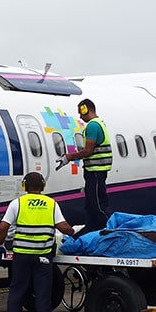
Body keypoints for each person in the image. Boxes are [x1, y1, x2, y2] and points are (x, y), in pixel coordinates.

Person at [0, 171, 76, 312]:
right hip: (42, 257)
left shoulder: (17, 203)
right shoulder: (51, 203)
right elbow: (63, 226)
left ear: (24, 186)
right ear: (43, 187)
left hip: (21, 256)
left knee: (16, 292)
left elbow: (2, 228)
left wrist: (0, 245)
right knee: (43, 294)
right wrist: (73, 232)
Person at [56, 99, 112, 234]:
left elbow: (88, 151)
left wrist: (69, 157)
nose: (80, 116)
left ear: (87, 109)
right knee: (91, 204)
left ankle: (108, 229)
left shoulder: (93, 126)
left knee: (97, 204)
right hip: (94, 171)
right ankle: (91, 228)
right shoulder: (99, 123)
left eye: (81, 113)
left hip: (96, 172)